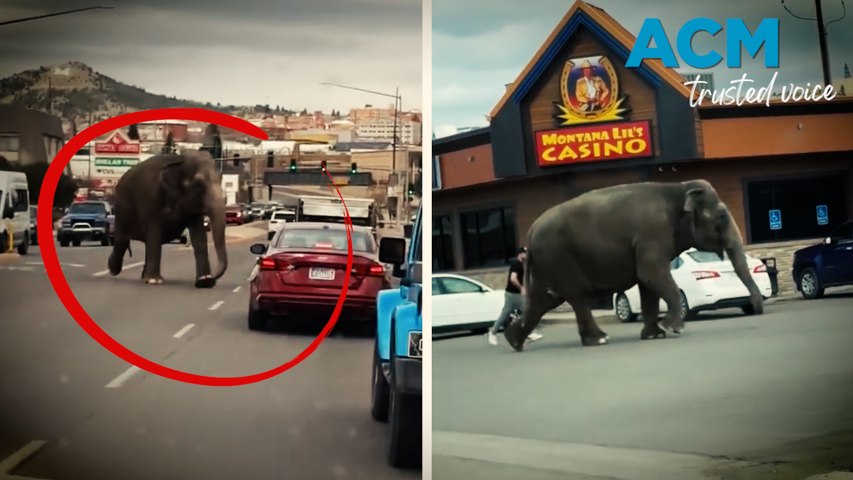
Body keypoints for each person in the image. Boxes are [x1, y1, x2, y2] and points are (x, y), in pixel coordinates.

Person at [487, 247, 543, 346]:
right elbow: (513, 278)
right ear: (521, 254)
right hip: (513, 295)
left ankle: (526, 332)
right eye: (526, 254)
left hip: (514, 294)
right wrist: (521, 288)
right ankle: (493, 332)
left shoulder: (520, 264)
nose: (527, 256)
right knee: (508, 314)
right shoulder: (516, 264)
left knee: (525, 312)